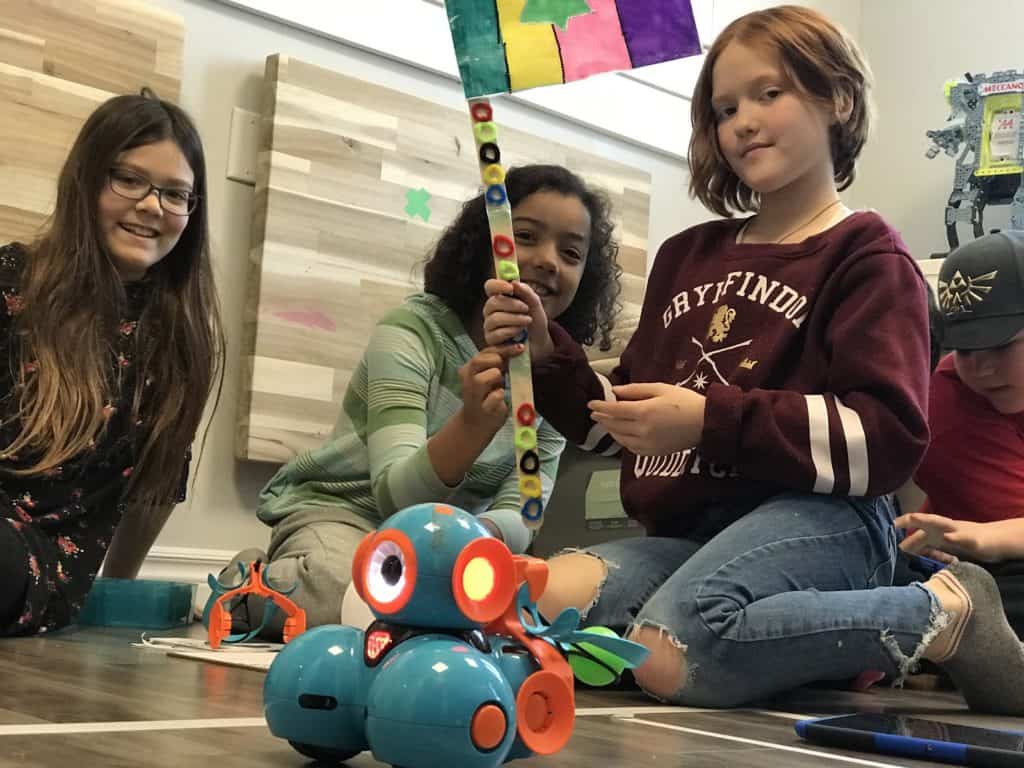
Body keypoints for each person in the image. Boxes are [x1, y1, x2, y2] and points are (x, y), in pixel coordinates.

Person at [483, 6, 1024, 715]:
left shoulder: (868, 258)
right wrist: (551, 354)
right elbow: (617, 426)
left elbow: (886, 442)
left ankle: (943, 613)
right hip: (694, 535)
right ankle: (782, 650)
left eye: (770, 94)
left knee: (677, 647)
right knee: (534, 603)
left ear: (838, 98)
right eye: (724, 107)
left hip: (827, 521)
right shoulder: (686, 257)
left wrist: (710, 420)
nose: (741, 121)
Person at [225, 164, 622, 635]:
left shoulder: (555, 379)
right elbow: (396, 498)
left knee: (508, 619)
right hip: (345, 515)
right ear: (484, 245)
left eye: (572, 252)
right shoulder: (412, 332)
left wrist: (474, 541)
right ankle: (246, 589)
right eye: (526, 236)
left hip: (445, 543)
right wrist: (473, 425)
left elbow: (526, 512)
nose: (549, 260)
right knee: (351, 598)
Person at [0, 90, 225, 636]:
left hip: (37, 570)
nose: (152, 205)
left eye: (176, 194)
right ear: (86, 180)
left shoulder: (180, 340)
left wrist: (117, 595)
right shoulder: (12, 281)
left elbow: (158, 483)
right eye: (128, 179)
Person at [897, 231, 1024, 639]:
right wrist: (983, 538)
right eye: (965, 350)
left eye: (1001, 346)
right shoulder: (943, 399)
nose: (981, 369)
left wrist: (987, 536)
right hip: (972, 567)